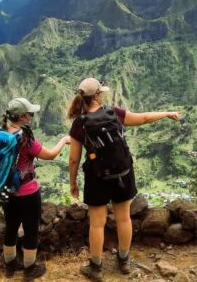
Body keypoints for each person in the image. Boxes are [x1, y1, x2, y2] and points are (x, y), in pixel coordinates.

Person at [67, 78, 181, 281]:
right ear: (97, 96)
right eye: (100, 92)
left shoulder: (79, 124)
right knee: (123, 218)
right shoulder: (114, 113)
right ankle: (124, 260)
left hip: (97, 177)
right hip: (123, 174)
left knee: (96, 224)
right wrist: (166, 114)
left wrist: (73, 183)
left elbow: (74, 159)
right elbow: (144, 118)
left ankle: (96, 267)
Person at [0, 97, 71, 279]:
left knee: (11, 227)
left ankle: (10, 266)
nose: (31, 116)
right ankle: (30, 269)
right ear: (22, 117)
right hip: (27, 192)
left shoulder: (0, 134)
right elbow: (51, 155)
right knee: (31, 229)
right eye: (29, 114)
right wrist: (63, 140)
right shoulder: (26, 139)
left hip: (6, 192)